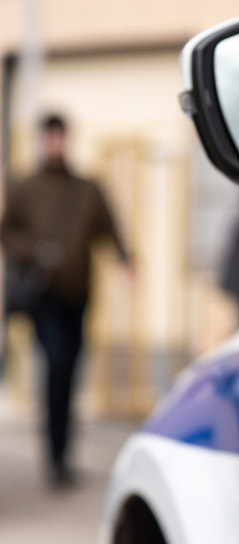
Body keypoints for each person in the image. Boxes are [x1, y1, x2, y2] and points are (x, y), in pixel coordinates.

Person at [1, 114, 130, 488]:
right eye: (50, 138)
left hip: (78, 294)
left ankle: (62, 454)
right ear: (42, 141)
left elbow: (110, 225)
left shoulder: (86, 188)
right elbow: (7, 232)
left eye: (61, 137)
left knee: (70, 371)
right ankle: (54, 456)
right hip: (44, 297)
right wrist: (35, 251)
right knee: (56, 365)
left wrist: (126, 260)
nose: (56, 144)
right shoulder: (26, 186)